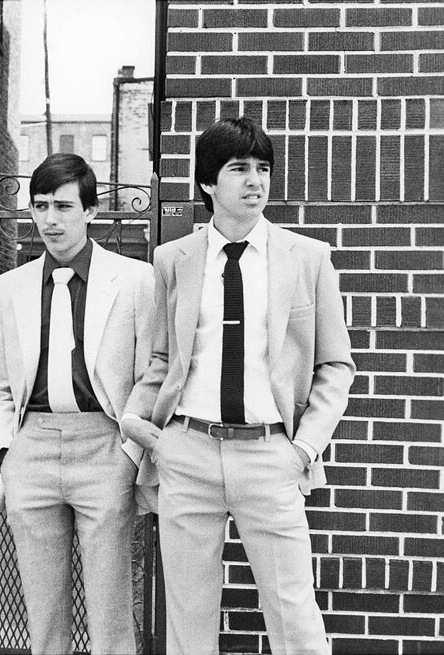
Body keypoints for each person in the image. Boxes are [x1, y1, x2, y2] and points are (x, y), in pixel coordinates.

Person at [121, 116, 355, 655]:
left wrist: (303, 448)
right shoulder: (171, 260)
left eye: (263, 169)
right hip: (188, 452)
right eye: (239, 169)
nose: (256, 181)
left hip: (271, 455)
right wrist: (143, 429)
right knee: (188, 615)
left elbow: (335, 365)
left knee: (294, 614)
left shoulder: (308, 258)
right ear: (208, 182)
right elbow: (161, 357)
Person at [0, 153, 157, 655]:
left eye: (63, 205)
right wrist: (5, 452)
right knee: (43, 615)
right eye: (40, 206)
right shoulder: (10, 287)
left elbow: (151, 374)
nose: (50, 219)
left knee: (110, 612)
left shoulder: (135, 281)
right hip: (31, 448)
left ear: (90, 211)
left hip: (103, 445)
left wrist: (128, 453)